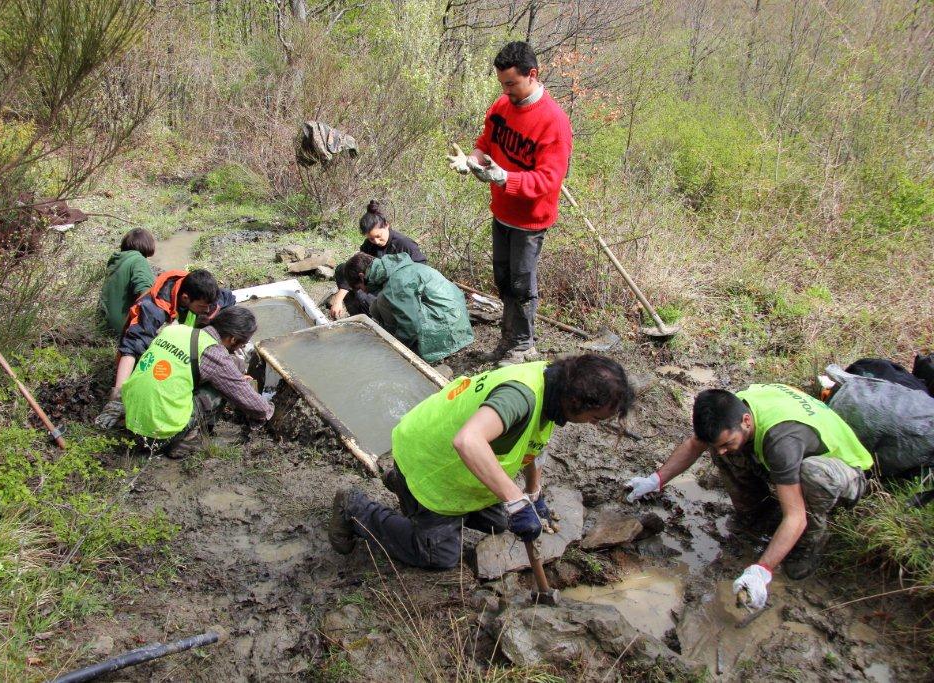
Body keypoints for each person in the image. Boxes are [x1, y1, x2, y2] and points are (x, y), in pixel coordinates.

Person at [328, 355, 633, 569]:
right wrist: (515, 499)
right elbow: (468, 441)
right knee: (439, 556)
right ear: (577, 399)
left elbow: (531, 444)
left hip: (452, 464)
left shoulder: (554, 388)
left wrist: (533, 493)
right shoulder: (520, 396)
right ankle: (356, 508)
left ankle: (403, 487)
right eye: (595, 417)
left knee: (499, 524)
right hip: (430, 460)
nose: (594, 424)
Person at [625, 384, 873, 609]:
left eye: (726, 441)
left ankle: (811, 542)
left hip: (846, 473)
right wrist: (655, 480)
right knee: (726, 451)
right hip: (798, 449)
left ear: (745, 421)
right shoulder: (733, 408)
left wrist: (761, 571)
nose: (721, 450)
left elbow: (796, 517)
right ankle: (758, 515)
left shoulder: (781, 442)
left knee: (812, 477)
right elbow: (694, 445)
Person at [446, 41, 572, 365]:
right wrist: (470, 160)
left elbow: (549, 180)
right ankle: (508, 340)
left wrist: (505, 178)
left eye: (511, 84)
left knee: (522, 283)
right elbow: (485, 142)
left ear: (532, 75)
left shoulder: (554, 122)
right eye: (502, 84)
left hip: (530, 220)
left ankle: (524, 345)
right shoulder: (502, 106)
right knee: (503, 279)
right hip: (501, 213)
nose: (506, 91)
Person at [119, 306, 273, 458]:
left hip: (129, 417)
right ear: (233, 339)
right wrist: (268, 408)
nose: (242, 347)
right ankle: (185, 440)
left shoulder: (175, 330)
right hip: (156, 434)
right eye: (242, 344)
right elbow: (256, 406)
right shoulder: (214, 354)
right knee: (218, 389)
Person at [95, 268, 236, 429]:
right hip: (145, 357)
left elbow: (228, 299)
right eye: (203, 307)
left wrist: (212, 318)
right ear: (185, 298)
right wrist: (117, 396)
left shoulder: (201, 292)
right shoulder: (152, 309)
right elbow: (130, 350)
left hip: (173, 350)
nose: (207, 310)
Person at [341, 251, 473, 363]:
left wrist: (393, 349)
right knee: (377, 304)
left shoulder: (396, 283)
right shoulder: (404, 267)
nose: (364, 292)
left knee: (382, 302)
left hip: (446, 336)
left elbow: (411, 325)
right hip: (461, 324)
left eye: (360, 288)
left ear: (362, 276)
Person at [330, 200, 427, 319]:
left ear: (386, 225)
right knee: (343, 269)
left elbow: (422, 273)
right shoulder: (368, 245)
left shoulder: (405, 245)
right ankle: (359, 318)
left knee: (363, 297)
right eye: (371, 239)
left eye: (378, 236)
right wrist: (338, 299)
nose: (376, 241)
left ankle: (377, 322)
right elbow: (354, 269)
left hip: (398, 292)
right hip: (374, 286)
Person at [99, 228, 157, 337]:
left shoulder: (116, 259)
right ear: (148, 244)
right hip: (121, 328)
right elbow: (145, 292)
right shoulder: (139, 260)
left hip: (102, 325)